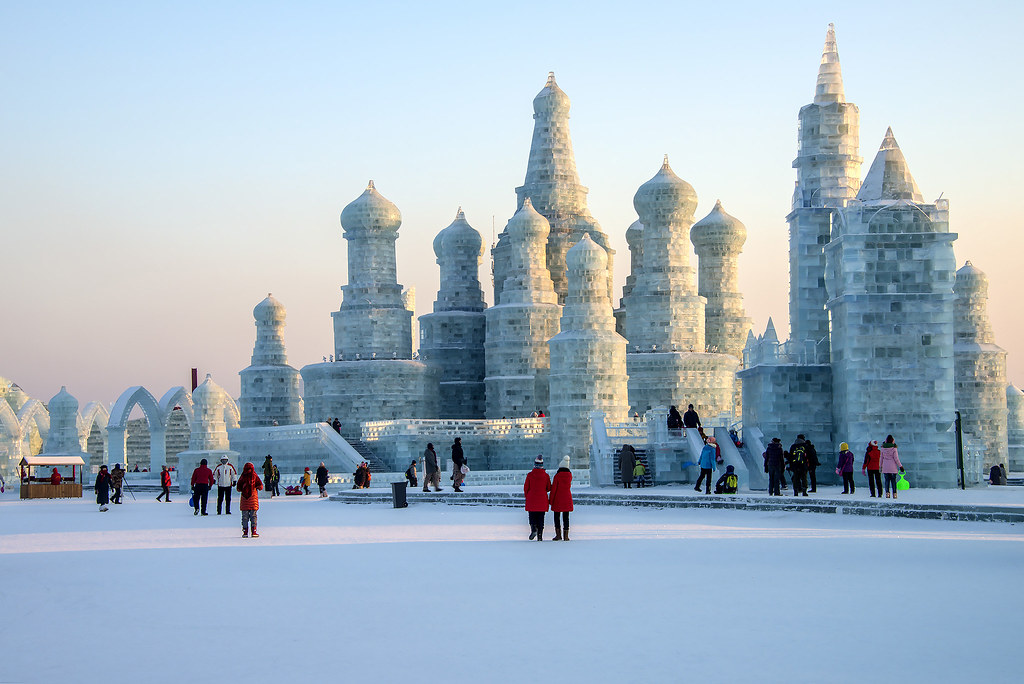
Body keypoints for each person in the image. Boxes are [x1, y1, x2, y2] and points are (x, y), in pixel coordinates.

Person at [524, 455, 551, 541]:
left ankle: (533, 529)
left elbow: (526, 487)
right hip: (542, 499)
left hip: (532, 499)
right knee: (541, 518)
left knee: (532, 516)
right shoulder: (546, 476)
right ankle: (540, 536)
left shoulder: (530, 475)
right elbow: (549, 488)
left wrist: (527, 497)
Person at [236, 462, 264, 538]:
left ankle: (245, 532)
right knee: (253, 516)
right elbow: (260, 486)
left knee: (244, 517)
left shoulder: (242, 477)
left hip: (244, 500)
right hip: (253, 499)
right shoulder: (255, 476)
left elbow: (238, 488)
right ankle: (254, 531)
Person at [549, 456, 573, 541]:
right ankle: (566, 536)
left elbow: (554, 489)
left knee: (557, 517)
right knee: (566, 517)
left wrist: (551, 500)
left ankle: (558, 535)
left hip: (558, 499)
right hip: (567, 498)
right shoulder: (569, 475)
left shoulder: (557, 476)